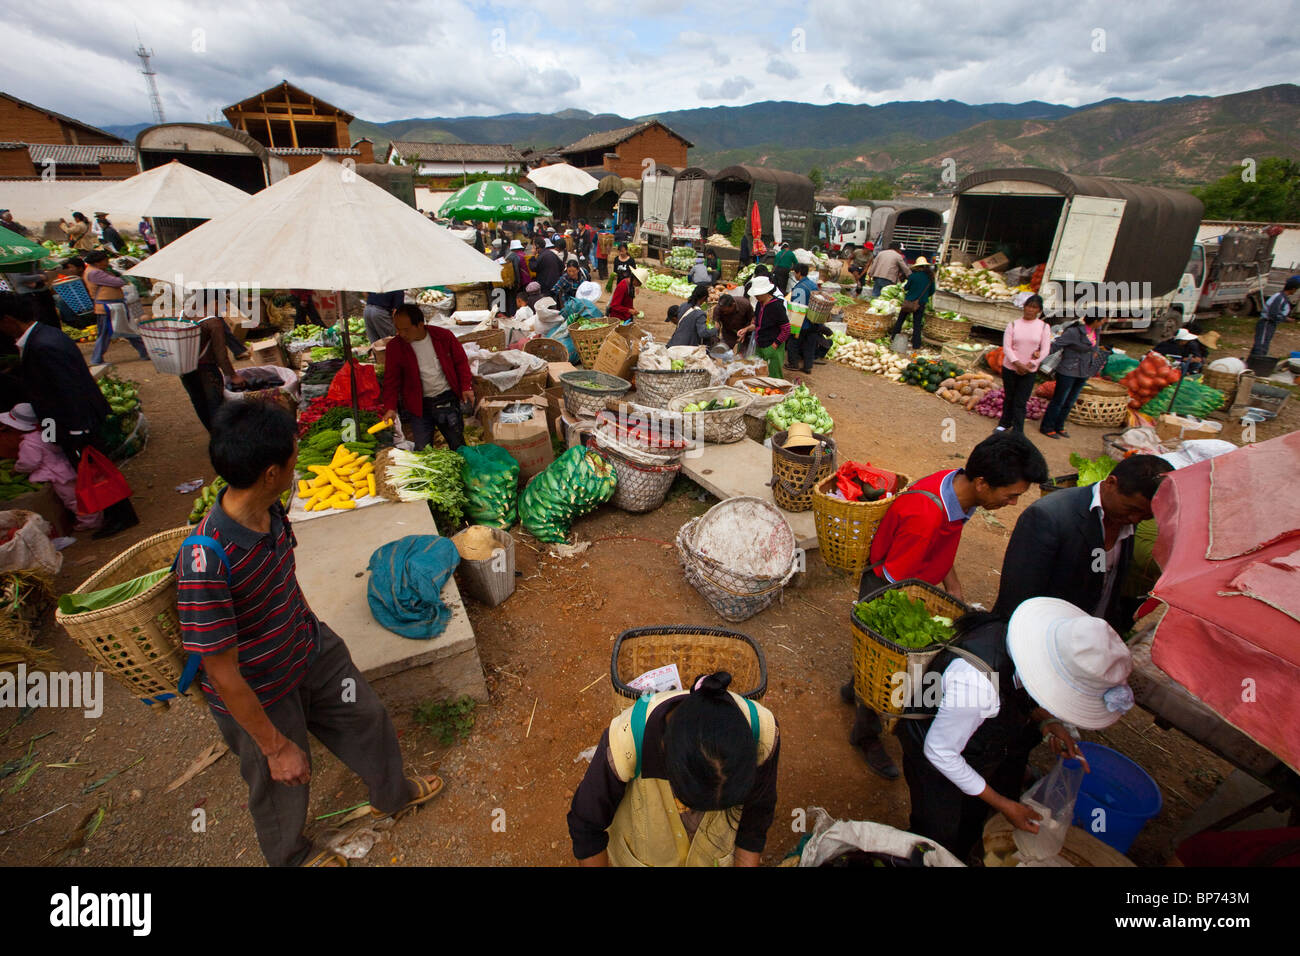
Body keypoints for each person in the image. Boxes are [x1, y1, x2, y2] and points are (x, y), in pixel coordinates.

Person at [178, 401, 443, 867]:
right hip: (259, 689)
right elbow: (220, 671)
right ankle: (291, 856)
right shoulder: (206, 559)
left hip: (308, 648)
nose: (298, 457)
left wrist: (310, 634)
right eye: (292, 454)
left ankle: (392, 794)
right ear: (269, 472)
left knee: (366, 717)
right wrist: (276, 746)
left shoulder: (272, 508)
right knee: (278, 781)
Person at [840, 430, 1048, 778]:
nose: (1012, 504)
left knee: (878, 662)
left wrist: (952, 585)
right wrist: (914, 629)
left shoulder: (955, 489)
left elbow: (940, 545)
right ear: (982, 483)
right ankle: (866, 733)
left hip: (915, 578)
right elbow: (896, 586)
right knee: (887, 662)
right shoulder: (926, 515)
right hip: (890, 589)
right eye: (1010, 496)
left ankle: (856, 684)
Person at [898, 598, 1133, 862]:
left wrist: (1049, 724)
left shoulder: (1020, 644)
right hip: (933, 761)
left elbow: (1019, 689)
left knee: (970, 821)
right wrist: (1003, 804)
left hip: (972, 751)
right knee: (937, 834)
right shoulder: (977, 685)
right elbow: (940, 752)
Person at [567, 671, 780, 867]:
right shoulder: (628, 739)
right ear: (667, 758)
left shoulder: (764, 733)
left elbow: (755, 822)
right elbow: (586, 827)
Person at [0, 291, 140, 538]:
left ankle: (121, 516)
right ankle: (112, 514)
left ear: (8, 320)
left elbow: (69, 389)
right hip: (66, 423)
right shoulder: (45, 336)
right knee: (89, 470)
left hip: (75, 424)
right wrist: (52, 435)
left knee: (95, 471)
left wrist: (77, 431)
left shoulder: (43, 345)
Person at [992, 453, 1173, 631]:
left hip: (1085, 639)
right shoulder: (1048, 517)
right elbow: (1018, 596)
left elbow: (1101, 572)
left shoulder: (1126, 522)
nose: (1135, 519)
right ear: (1111, 483)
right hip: (1043, 635)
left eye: (1145, 516)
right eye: (1132, 509)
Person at [381, 304, 474, 451]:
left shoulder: (443, 336)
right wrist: (390, 408)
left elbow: (461, 362)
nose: (401, 334)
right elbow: (391, 380)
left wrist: (466, 387)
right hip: (418, 405)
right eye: (398, 329)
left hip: (446, 399)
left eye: (406, 329)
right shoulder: (395, 347)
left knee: (457, 444)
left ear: (420, 324)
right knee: (423, 449)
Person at [0, 402, 100, 531]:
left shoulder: (28, 444)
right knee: (82, 493)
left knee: (73, 500)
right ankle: (95, 516)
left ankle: (90, 521)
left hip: (58, 476)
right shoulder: (45, 433)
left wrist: (16, 469)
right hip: (67, 468)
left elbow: (29, 463)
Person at [1039, 315, 1107, 439]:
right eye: (1103, 319)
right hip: (1068, 370)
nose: (1104, 321)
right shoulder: (1073, 332)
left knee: (1070, 401)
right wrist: (1038, 355)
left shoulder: (1096, 330)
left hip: (1084, 371)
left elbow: (1096, 344)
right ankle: (1047, 427)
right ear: (1096, 321)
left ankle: (1059, 426)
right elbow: (1056, 345)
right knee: (1059, 400)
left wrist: (1094, 353)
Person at [180, 316, 246, 432]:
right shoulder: (213, 322)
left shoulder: (184, 316)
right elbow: (220, 354)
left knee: (199, 403)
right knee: (216, 405)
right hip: (207, 371)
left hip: (186, 370)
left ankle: (213, 435)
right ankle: (221, 438)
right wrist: (233, 376)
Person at [996, 294, 1051, 433]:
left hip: (1029, 370)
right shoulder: (1013, 324)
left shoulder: (1044, 327)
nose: (1030, 310)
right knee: (1009, 397)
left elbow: (1045, 350)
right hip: (1010, 367)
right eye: (1028, 306)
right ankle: (1004, 424)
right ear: (1024, 307)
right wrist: (1018, 364)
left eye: (1034, 307)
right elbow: (1007, 347)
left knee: (1021, 400)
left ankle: (1018, 429)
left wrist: (1032, 364)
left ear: (1039, 310)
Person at [83, 250, 148, 364]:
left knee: (129, 331)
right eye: (105, 261)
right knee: (105, 334)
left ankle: (144, 353)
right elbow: (118, 282)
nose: (107, 262)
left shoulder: (96, 271)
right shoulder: (95, 273)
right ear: (98, 262)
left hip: (114, 306)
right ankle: (96, 359)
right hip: (108, 307)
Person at [736, 276, 788, 378]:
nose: (755, 296)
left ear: (765, 292)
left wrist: (774, 345)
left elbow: (786, 329)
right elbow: (757, 324)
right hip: (761, 344)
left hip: (773, 346)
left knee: (774, 376)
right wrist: (746, 329)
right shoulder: (760, 305)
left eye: (758, 294)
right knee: (759, 374)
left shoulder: (777, 306)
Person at [890, 256, 936, 350]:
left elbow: (906, 287)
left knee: (900, 320)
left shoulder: (913, 276)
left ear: (917, 266)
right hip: (921, 303)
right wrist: (923, 297)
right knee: (917, 324)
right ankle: (916, 344)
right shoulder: (930, 278)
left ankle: (893, 338)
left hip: (909, 302)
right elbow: (932, 291)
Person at [1250, 276, 1299, 357]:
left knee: (1264, 344)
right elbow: (1272, 313)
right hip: (1266, 323)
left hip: (1271, 324)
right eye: (1296, 289)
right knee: (1260, 346)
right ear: (1293, 289)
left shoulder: (1283, 297)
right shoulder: (1279, 298)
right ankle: (1256, 363)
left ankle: (1256, 362)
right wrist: (1285, 319)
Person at [667, 283, 718, 348]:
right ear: (704, 298)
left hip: (674, 343)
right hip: (686, 347)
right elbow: (703, 333)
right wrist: (715, 329)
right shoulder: (700, 314)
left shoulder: (683, 305)